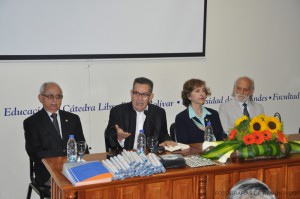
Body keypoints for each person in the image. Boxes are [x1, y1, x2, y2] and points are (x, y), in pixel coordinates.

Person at [24, 82, 88, 187]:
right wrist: (63, 158)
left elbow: (82, 146)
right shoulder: (32, 122)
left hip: (74, 168)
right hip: (48, 172)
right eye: (50, 96)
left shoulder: (73, 119)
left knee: (94, 184)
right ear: (40, 98)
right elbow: (34, 153)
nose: (55, 100)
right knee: (66, 187)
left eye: (58, 96)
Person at [105, 77, 176, 151]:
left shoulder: (159, 113)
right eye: (136, 93)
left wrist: (167, 141)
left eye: (144, 94)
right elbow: (110, 141)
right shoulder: (118, 112)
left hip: (151, 156)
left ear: (151, 97)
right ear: (131, 94)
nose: (139, 98)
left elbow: (163, 135)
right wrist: (119, 137)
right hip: (125, 157)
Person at [175, 79, 225, 144]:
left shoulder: (213, 114)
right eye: (197, 91)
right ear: (189, 96)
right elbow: (183, 145)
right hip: (194, 154)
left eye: (203, 90)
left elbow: (220, 138)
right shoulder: (181, 118)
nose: (202, 94)